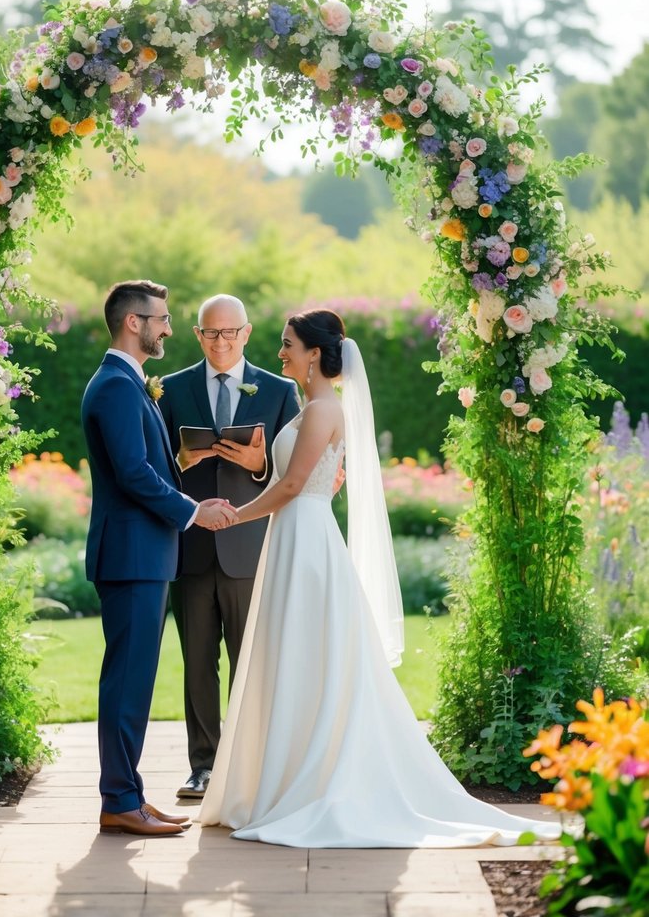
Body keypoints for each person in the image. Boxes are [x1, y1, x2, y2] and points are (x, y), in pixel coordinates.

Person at [199, 308, 557, 848]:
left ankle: (308, 779)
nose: (281, 353)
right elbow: (307, 479)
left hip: (307, 540)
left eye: (288, 344)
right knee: (291, 652)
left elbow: (295, 485)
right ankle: (281, 777)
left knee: (307, 650)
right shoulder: (310, 408)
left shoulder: (323, 410)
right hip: (295, 535)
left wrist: (235, 513)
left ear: (315, 353)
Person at [81, 280, 236, 838]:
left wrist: (185, 468)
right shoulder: (119, 387)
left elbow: (148, 464)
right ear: (133, 322)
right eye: (162, 319)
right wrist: (194, 512)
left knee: (135, 682)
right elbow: (133, 474)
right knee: (126, 683)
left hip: (143, 556)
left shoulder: (127, 383)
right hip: (131, 557)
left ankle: (130, 797)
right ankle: (120, 801)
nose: (169, 328)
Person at [159, 294, 299, 800]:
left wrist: (259, 465)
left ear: (246, 332)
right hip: (191, 545)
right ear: (197, 335)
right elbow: (154, 467)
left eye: (229, 332)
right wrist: (182, 462)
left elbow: (295, 471)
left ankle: (253, 765)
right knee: (197, 662)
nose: (221, 342)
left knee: (251, 663)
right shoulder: (168, 389)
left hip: (249, 545)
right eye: (211, 333)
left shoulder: (281, 391)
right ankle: (204, 766)